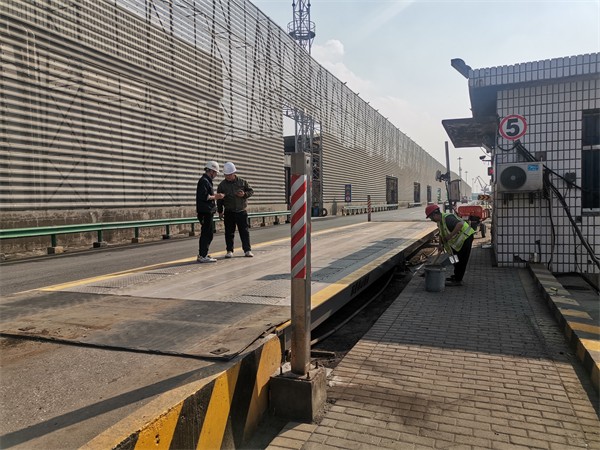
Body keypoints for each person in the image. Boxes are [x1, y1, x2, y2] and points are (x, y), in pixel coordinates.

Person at [425, 204, 475, 286]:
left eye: (431, 218)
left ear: (434, 214)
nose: (431, 220)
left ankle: (458, 280)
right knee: (454, 258)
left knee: (461, 259)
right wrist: (440, 245)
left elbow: (460, 224)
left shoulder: (448, 218)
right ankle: (456, 276)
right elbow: (441, 233)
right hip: (460, 241)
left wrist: (450, 236)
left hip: (466, 237)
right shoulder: (440, 222)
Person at [217, 162, 255, 258]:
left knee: (244, 232)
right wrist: (220, 211)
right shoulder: (222, 185)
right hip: (229, 212)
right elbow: (219, 200)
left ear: (234, 173)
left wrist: (244, 194)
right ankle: (229, 250)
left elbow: (251, 191)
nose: (228, 177)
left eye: (229, 175)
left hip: (241, 211)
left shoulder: (242, 182)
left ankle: (247, 250)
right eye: (226, 175)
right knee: (229, 232)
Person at [196, 161, 225, 263]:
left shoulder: (206, 181)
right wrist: (217, 196)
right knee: (207, 234)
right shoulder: (204, 181)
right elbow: (204, 196)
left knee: (208, 233)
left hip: (207, 211)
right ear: (211, 171)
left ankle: (203, 254)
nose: (216, 175)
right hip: (205, 211)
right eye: (215, 172)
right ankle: (203, 255)